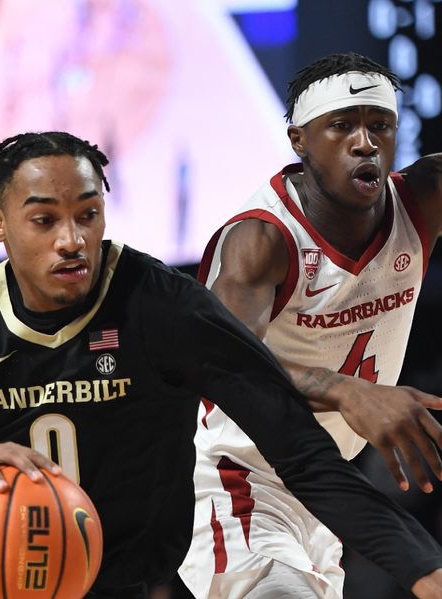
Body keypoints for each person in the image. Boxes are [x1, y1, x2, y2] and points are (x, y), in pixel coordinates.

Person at [0, 131, 442, 599]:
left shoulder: (164, 309)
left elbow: (302, 453)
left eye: (88, 215)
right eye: (44, 220)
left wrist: (423, 565)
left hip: (125, 580)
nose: (71, 239)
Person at [178, 52, 442, 599]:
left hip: (325, 487)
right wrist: (346, 390)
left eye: (380, 126)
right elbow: (221, 365)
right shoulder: (261, 239)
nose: (365, 142)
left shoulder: (424, 196)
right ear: (299, 140)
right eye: (342, 126)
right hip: (237, 480)